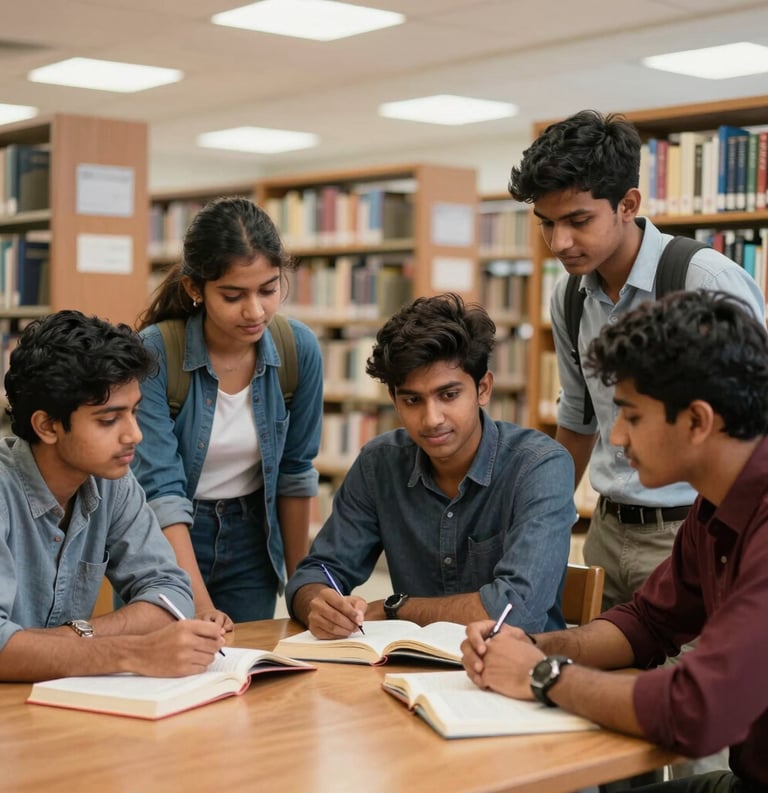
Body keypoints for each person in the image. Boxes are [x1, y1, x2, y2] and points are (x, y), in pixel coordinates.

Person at [462, 290, 768, 793]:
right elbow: (648, 621)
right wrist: (527, 647)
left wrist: (544, 675)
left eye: (631, 415)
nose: (618, 437)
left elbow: (699, 710)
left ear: (697, 421)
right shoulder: (716, 505)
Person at [508, 110, 765, 614]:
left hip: (694, 530)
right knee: (593, 672)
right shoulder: (568, 297)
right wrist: (549, 520)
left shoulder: (703, 279)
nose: (559, 243)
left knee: (685, 687)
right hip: (604, 530)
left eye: (578, 221)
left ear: (627, 204)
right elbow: (577, 419)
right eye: (547, 224)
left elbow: (754, 422)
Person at [285, 292, 576, 639]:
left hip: (513, 677)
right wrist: (320, 604)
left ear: (483, 389)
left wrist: (397, 609)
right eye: (412, 400)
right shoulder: (379, 464)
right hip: (409, 674)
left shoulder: (541, 467)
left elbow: (514, 613)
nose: (432, 418)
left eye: (449, 395)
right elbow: (315, 573)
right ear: (393, 399)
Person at [0, 310, 226, 682]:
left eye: (134, 413)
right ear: (47, 425)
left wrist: (64, 641)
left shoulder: (112, 482)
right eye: (109, 420)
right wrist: (133, 651)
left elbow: (172, 595)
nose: (134, 435)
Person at [132, 196, 324, 625]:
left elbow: (296, 472)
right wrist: (199, 605)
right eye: (233, 295)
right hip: (169, 535)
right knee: (168, 671)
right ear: (195, 289)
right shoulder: (156, 352)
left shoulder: (299, 349)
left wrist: (303, 592)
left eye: (268, 290)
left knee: (249, 676)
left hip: (252, 537)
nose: (255, 311)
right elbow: (160, 490)